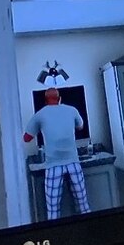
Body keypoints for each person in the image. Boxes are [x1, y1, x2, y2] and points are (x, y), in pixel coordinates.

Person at [24, 88, 92, 220]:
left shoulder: (40, 114)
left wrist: (41, 128)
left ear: (45, 100)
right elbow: (80, 127)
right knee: (84, 206)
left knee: (53, 211)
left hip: (53, 165)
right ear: (59, 98)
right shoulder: (72, 110)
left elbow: (27, 138)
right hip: (73, 162)